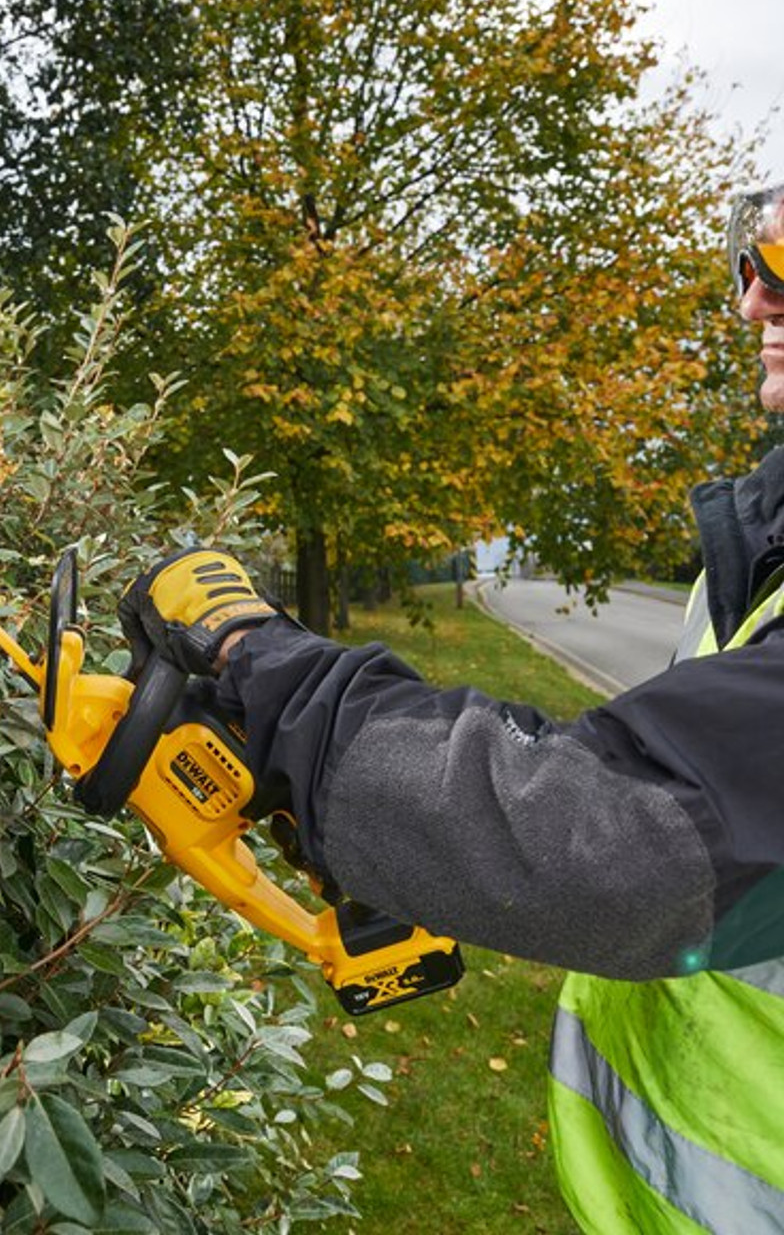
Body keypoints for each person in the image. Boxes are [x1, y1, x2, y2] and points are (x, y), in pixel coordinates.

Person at [118, 182, 784, 1234]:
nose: (753, 300)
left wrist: (265, 666)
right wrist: (357, 798)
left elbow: (620, 842)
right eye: (756, 253)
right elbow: (634, 764)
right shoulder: (762, 544)